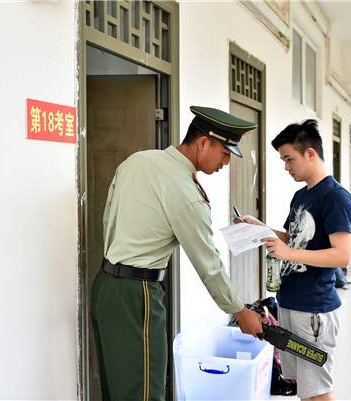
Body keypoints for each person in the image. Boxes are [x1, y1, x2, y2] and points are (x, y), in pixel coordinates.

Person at [91, 106, 264, 401]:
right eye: (225, 153)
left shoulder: (138, 160)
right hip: (139, 296)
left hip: (105, 286)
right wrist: (239, 310)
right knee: (145, 391)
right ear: (203, 143)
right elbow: (208, 264)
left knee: (117, 387)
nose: (227, 162)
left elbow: (109, 219)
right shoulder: (185, 193)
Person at [240, 119, 351, 401]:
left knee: (317, 391)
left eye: (289, 159)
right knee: (304, 388)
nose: (286, 167)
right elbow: (294, 239)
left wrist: (288, 253)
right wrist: (261, 227)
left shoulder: (336, 197)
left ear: (311, 153)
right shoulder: (301, 196)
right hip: (291, 302)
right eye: (283, 160)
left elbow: (342, 255)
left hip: (313, 308)